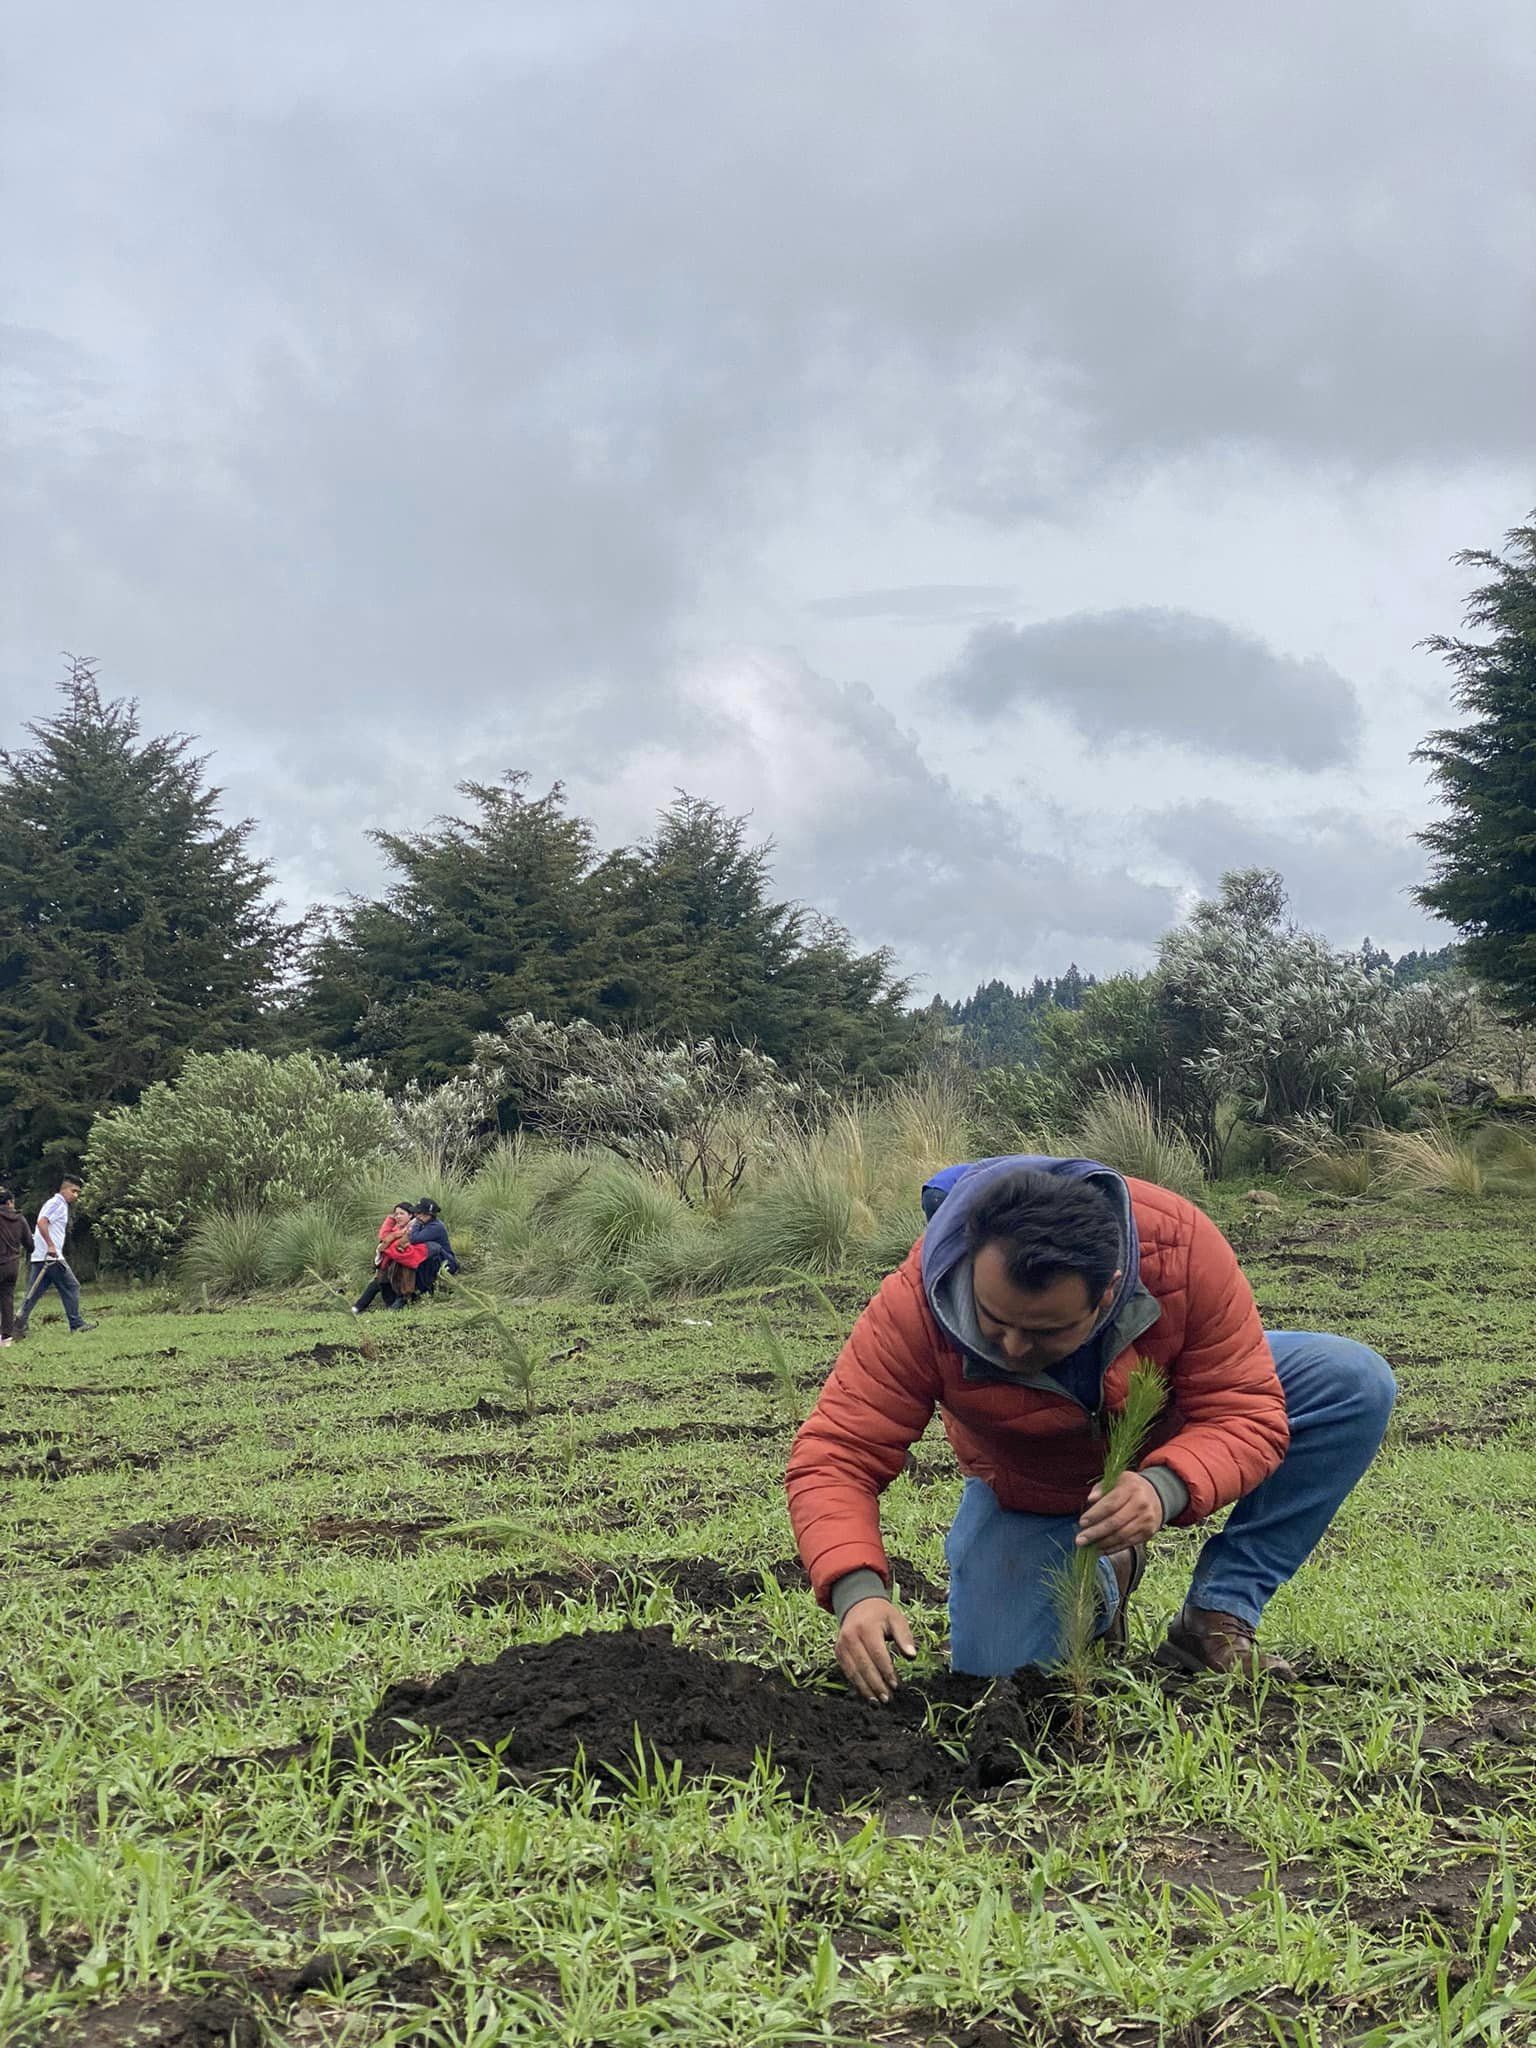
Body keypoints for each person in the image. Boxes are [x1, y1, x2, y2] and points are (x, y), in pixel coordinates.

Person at [786, 1155, 1395, 1700]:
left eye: (1046, 1331)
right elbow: (837, 1452)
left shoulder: (1180, 1250)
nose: (1013, 1346)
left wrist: (1165, 1486)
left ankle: (1217, 1613)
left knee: (1350, 1382)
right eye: (993, 1320)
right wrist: (856, 1591)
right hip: (1032, 1482)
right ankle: (1110, 1571)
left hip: (1165, 1416)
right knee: (997, 1676)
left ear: (1107, 1295)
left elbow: (1246, 1409)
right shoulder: (920, 1298)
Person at [15, 1175, 95, 1338]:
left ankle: (18, 1326)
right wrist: (51, 1245)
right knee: (72, 1286)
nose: (76, 1196)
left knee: (33, 1293)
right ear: (64, 1189)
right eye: (74, 1191)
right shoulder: (57, 1203)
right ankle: (76, 1324)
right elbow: (42, 1222)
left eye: (78, 1193)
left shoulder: (57, 1204)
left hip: (42, 1256)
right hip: (51, 1256)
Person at [352, 1204, 430, 1313]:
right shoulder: (397, 1229)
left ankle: (390, 1309)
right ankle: (357, 1308)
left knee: (386, 1281)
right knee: (378, 1282)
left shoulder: (414, 1229)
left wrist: (388, 1245)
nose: (398, 1216)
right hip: (390, 1272)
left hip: (406, 1273)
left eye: (401, 1213)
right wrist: (390, 1220)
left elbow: (397, 1248)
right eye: (396, 1214)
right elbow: (383, 1237)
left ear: (411, 1215)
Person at [0, 1187, 34, 1346]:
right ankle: (6, 1338)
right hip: (12, 1265)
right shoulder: (20, 1219)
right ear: (9, 1202)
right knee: (7, 1299)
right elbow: (30, 1245)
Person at [407, 1198, 459, 1295]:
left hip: (445, 1262)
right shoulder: (425, 1224)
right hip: (436, 1261)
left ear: (428, 1215)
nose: (416, 1216)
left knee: (429, 1251)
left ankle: (426, 1290)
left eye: (419, 1213)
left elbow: (414, 1239)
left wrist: (416, 1223)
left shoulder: (435, 1227)